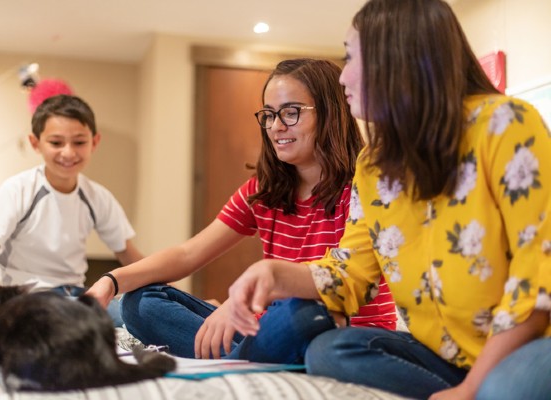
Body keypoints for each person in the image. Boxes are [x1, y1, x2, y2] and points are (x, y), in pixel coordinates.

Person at [228, 0, 551, 399]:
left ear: (398, 55)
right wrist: (276, 274)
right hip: (441, 355)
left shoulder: (507, 125)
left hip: (527, 344)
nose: (343, 76)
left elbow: (537, 283)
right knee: (330, 351)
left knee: (508, 386)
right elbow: (351, 274)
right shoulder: (374, 165)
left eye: (350, 57)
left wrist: (469, 389)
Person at [86, 58, 397, 363]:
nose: (276, 126)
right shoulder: (264, 190)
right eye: (269, 115)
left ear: (332, 114)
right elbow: (188, 254)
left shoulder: (366, 186)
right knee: (139, 303)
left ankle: (238, 358)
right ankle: (246, 358)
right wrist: (110, 281)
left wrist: (243, 304)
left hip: (333, 330)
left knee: (305, 314)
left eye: (291, 113)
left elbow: (341, 287)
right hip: (267, 328)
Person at [0, 94, 143, 326]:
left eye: (79, 142)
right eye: (56, 143)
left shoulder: (97, 197)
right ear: (35, 143)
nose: (68, 152)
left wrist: (170, 292)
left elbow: (129, 256)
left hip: (78, 296)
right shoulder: (18, 189)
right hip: (24, 297)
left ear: (95, 142)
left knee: (141, 317)